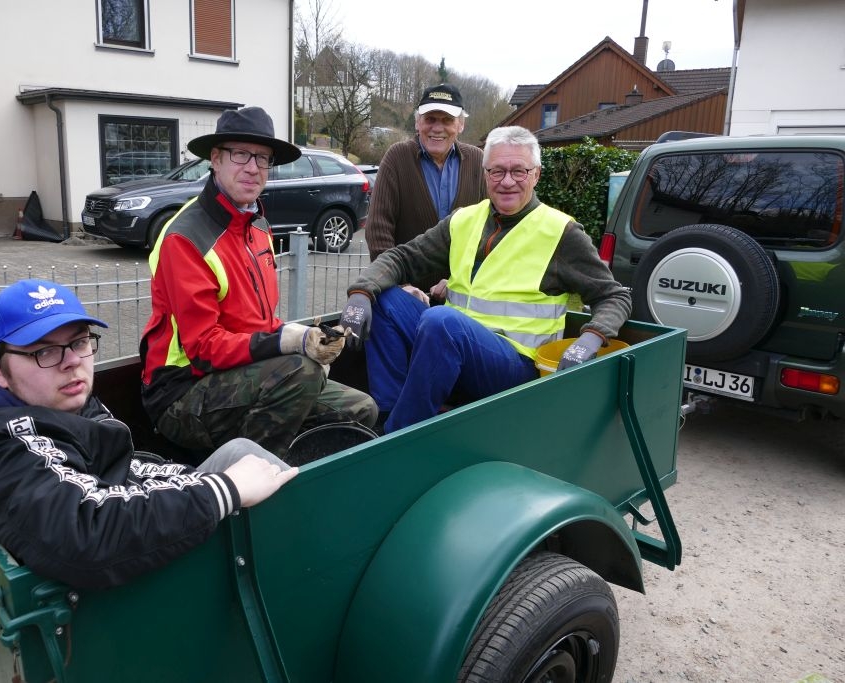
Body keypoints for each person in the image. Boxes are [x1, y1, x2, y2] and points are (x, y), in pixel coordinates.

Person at [0, 278, 297, 590]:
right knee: (269, 499)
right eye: (44, 351)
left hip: (130, 508)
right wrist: (224, 489)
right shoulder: (2, 446)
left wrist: (199, 480)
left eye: (79, 342)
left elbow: (118, 468)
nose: (72, 362)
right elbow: (86, 531)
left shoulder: (53, 400)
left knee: (244, 455)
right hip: (123, 578)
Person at [339, 126, 632, 434]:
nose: (507, 181)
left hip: (515, 367)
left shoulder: (561, 232)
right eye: (497, 171)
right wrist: (361, 292)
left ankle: (399, 436)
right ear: (485, 174)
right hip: (452, 349)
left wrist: (590, 339)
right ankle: (387, 413)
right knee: (386, 298)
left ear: (536, 175)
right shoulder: (464, 220)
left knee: (442, 322)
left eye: (519, 171)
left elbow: (614, 296)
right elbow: (402, 257)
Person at [140, 106, 378, 459]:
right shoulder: (185, 238)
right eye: (240, 154)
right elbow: (203, 350)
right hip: (182, 392)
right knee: (300, 373)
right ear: (216, 159)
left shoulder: (258, 227)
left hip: (242, 375)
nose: (253, 167)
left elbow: (257, 323)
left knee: (361, 410)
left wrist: (302, 339)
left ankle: (299, 472)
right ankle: (249, 479)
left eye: (263, 158)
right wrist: (289, 343)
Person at [364, 83, 486, 295]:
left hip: (463, 294)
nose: (437, 128)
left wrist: (462, 279)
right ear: (417, 123)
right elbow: (378, 229)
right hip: (407, 294)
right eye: (430, 119)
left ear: (461, 125)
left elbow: (491, 228)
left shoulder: (478, 161)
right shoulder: (397, 158)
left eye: (447, 120)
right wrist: (400, 284)